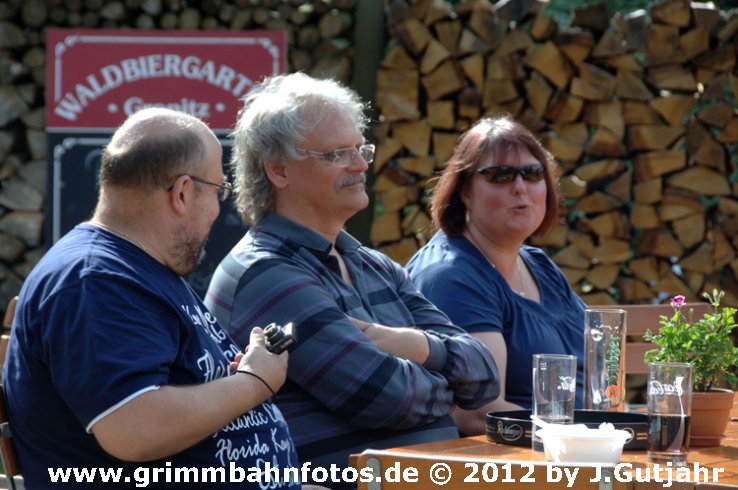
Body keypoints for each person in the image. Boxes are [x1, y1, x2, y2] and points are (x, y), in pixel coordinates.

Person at [205, 73, 499, 485]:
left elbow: (485, 376)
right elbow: (384, 397)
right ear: (279, 170)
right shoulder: (265, 273)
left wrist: (409, 343)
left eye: (361, 149)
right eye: (337, 154)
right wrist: (446, 379)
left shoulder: (371, 263)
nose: (361, 165)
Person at [2, 108, 302, 489]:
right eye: (217, 191)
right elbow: (133, 426)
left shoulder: (134, 269)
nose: (217, 209)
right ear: (181, 193)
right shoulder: (95, 281)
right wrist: (255, 381)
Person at [406, 115, 586, 436]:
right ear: (465, 192)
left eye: (532, 173)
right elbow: (478, 414)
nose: (520, 187)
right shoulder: (453, 276)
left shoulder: (540, 265)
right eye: (500, 175)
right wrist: (584, 435)